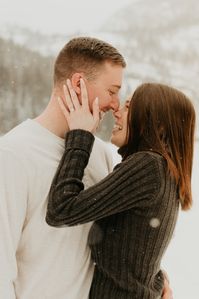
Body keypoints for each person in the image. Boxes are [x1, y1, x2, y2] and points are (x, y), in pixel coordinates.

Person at [0, 37, 126, 299]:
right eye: (112, 91)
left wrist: (158, 278)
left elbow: (117, 242)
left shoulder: (100, 154)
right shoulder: (12, 155)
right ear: (79, 84)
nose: (115, 104)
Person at [46, 79, 195, 298]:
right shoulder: (163, 173)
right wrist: (157, 278)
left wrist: (80, 136)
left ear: (157, 124)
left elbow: (61, 210)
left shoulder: (148, 166)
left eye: (128, 107)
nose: (117, 112)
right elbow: (140, 247)